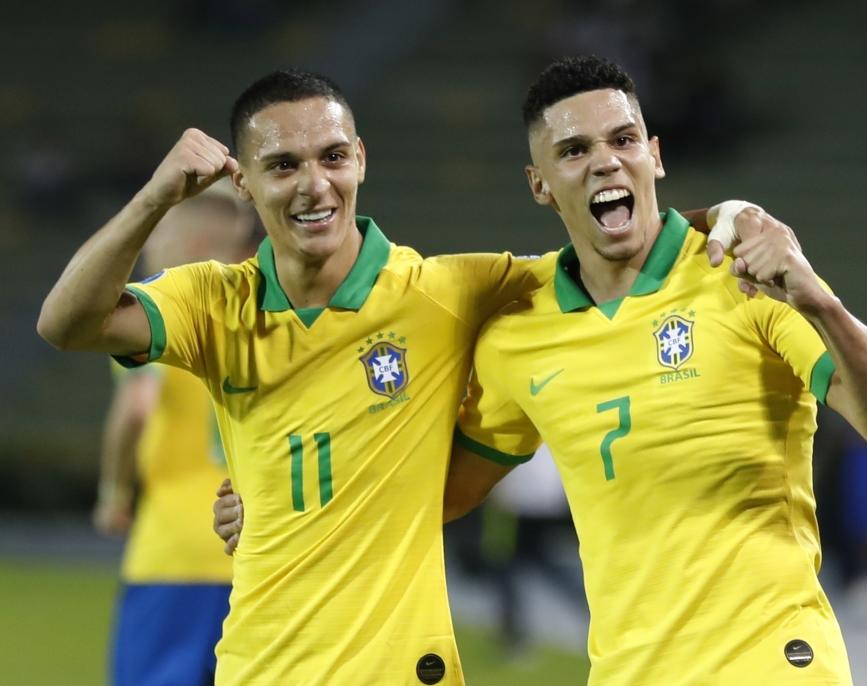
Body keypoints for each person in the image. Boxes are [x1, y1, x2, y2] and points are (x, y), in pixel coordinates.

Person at [39, 67, 760, 685]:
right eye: (284, 165)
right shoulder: (213, 301)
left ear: (360, 158)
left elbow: (606, 252)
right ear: (246, 185)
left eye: (331, 157)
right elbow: (67, 324)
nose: (313, 184)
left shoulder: (447, 292)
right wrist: (154, 198)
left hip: (408, 669)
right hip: (261, 665)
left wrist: (723, 217)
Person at [440, 56, 867, 685]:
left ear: (655, 156)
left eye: (623, 140)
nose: (606, 161)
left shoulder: (746, 277)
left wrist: (821, 302)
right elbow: (444, 496)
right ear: (539, 184)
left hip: (774, 664)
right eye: (574, 149)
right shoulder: (518, 338)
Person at [92, 180, 255, 686]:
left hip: (174, 552)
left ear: (190, 238)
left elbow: (136, 409)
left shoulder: (159, 314)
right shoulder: (262, 313)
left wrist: (114, 491)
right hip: (255, 550)